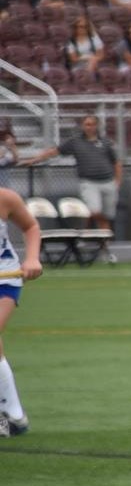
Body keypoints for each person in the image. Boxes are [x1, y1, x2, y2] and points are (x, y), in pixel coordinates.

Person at [0, 186, 44, 437]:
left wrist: (32, 259)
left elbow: (31, 227)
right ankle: (14, 419)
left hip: (4, 279)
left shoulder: (4, 198)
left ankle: (14, 416)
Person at [52, 115, 121, 236]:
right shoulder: (75, 142)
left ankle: (104, 246)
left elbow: (116, 162)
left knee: (107, 215)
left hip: (108, 182)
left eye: (92, 124)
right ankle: (88, 235)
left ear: (97, 126)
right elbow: (56, 151)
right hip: (89, 183)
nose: (90, 127)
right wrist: (35, 159)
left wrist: (117, 181)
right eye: (87, 124)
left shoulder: (105, 142)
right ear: (82, 126)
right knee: (94, 211)